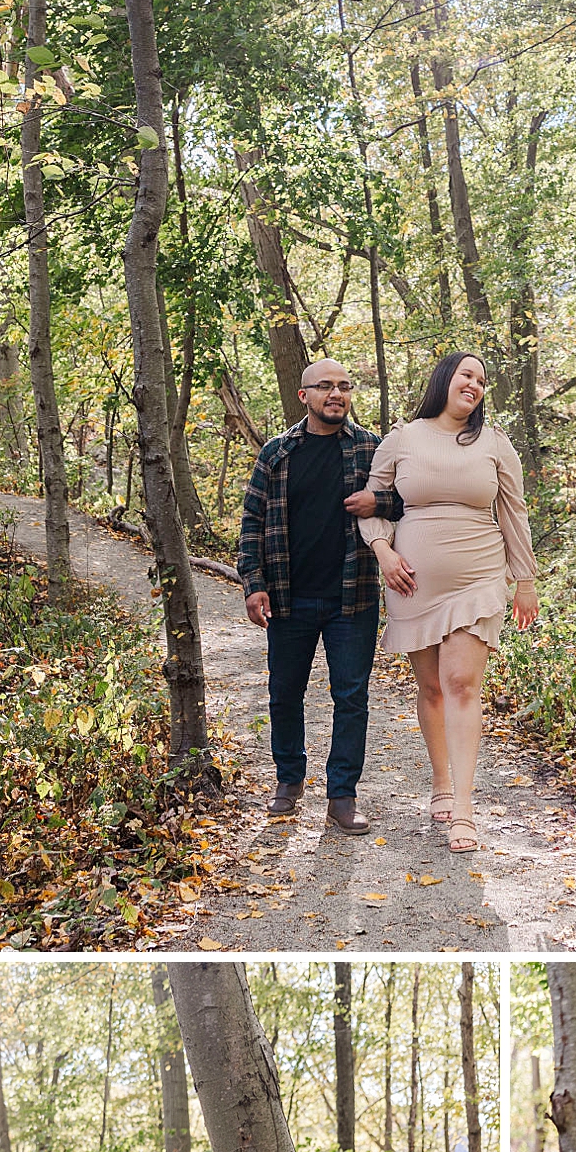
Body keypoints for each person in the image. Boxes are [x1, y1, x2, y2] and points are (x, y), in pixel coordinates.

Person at [354, 350, 537, 851]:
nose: (475, 385)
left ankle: (464, 808)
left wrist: (525, 580)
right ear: (445, 380)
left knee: (460, 682)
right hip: (413, 582)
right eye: (466, 375)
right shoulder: (402, 438)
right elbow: (370, 504)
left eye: (482, 380)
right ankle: (439, 782)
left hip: (479, 575)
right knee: (431, 687)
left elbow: (514, 514)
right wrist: (383, 551)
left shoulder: (495, 443)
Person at [238, 358, 401, 835]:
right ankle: (289, 782)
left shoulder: (371, 449)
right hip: (288, 598)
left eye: (344, 386)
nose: (337, 394)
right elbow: (251, 522)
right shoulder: (276, 453)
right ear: (303, 395)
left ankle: (342, 797)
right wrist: (254, 583)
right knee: (284, 694)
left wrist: (380, 502)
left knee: (351, 697)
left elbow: (410, 501)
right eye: (325, 386)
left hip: (352, 598)